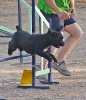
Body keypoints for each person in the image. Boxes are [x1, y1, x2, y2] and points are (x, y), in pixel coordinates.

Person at [37, 0, 83, 79]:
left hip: (62, 10)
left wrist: (72, 6)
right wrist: (58, 12)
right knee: (58, 37)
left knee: (77, 33)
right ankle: (41, 68)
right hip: (49, 9)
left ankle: (59, 61)